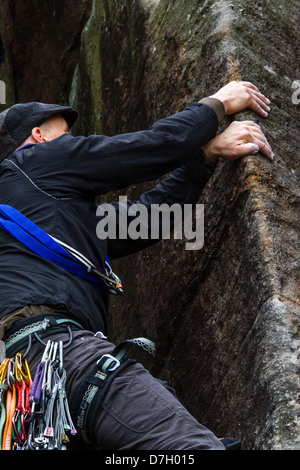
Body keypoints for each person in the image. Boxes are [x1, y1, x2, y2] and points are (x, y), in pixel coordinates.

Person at [0, 81, 273, 451]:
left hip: (29, 396)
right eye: (65, 134)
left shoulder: (46, 211)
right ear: (39, 135)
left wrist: (205, 156)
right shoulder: (31, 162)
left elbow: (147, 221)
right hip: (61, 353)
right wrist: (219, 104)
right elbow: (146, 148)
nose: (73, 141)